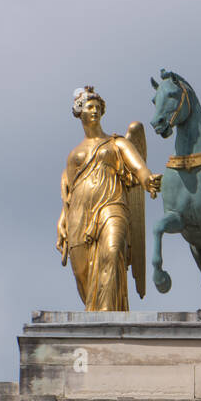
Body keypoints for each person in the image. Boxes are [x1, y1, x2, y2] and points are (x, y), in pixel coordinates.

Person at [57, 86, 161, 310]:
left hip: (112, 205)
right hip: (79, 213)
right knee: (82, 271)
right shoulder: (74, 154)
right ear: (79, 112)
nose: (94, 111)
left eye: (98, 107)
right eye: (89, 107)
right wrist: (63, 219)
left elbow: (138, 167)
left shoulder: (117, 143)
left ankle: (106, 313)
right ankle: (94, 315)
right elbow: (69, 191)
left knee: (113, 251)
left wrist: (147, 180)